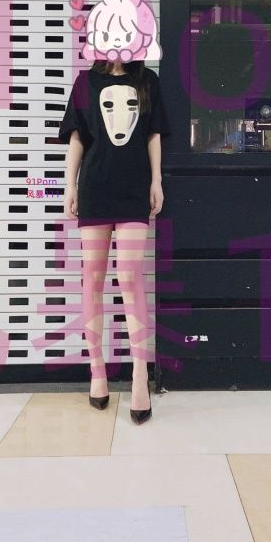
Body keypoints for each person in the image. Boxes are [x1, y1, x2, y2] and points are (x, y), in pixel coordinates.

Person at [57, 58, 171, 424]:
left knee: (129, 277)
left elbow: (153, 133)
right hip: (95, 187)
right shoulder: (85, 82)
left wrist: (156, 180)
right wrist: (69, 185)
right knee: (92, 277)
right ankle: (97, 372)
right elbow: (78, 137)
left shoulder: (147, 80)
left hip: (134, 188)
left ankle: (139, 374)